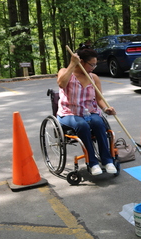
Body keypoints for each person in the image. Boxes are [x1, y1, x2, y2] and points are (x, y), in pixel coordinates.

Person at [56, 45, 117, 176]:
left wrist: (106, 108)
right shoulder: (65, 72)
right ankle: (93, 163)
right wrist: (72, 64)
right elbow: (61, 83)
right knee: (81, 125)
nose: (93, 68)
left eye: (95, 65)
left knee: (99, 123)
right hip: (69, 113)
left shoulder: (93, 77)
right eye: (91, 65)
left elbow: (99, 99)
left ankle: (107, 160)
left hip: (90, 112)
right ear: (81, 62)